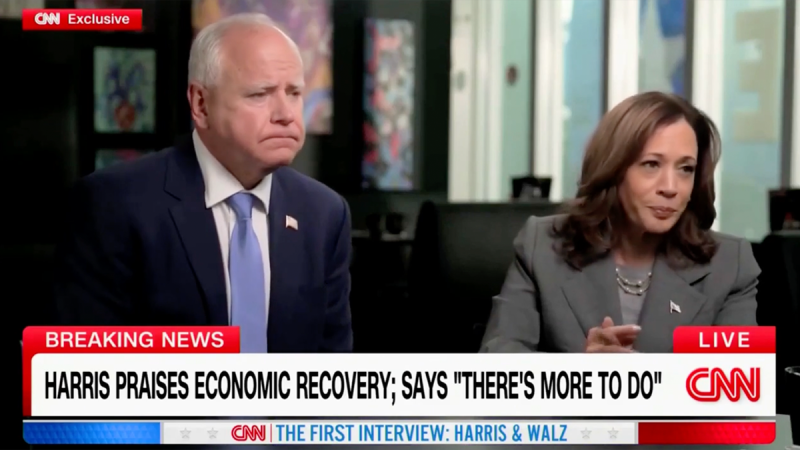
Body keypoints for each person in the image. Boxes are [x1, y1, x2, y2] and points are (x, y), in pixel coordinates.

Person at [53, 13, 353, 352]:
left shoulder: (324, 214)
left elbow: (331, 371)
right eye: (260, 94)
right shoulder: (114, 205)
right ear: (201, 104)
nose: (286, 114)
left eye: (294, 92)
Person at [481, 92, 759, 353]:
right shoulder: (542, 245)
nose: (671, 187)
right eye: (651, 164)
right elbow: (497, 365)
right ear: (613, 169)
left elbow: (742, 380)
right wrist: (583, 374)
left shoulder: (730, 264)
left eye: (686, 169)